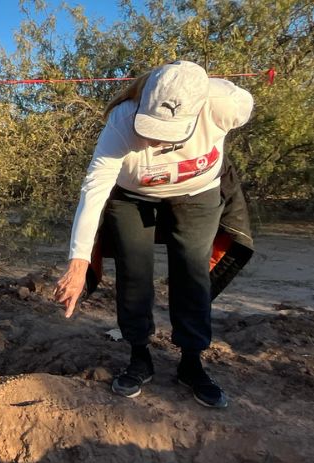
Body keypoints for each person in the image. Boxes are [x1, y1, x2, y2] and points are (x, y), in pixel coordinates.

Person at [54, 60, 254, 409]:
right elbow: (94, 189)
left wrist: (208, 84)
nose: (154, 138)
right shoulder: (122, 122)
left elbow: (237, 99)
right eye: (151, 125)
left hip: (199, 192)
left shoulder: (224, 104)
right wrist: (77, 263)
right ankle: (138, 356)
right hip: (132, 197)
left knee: (192, 272)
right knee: (134, 272)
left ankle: (192, 363)